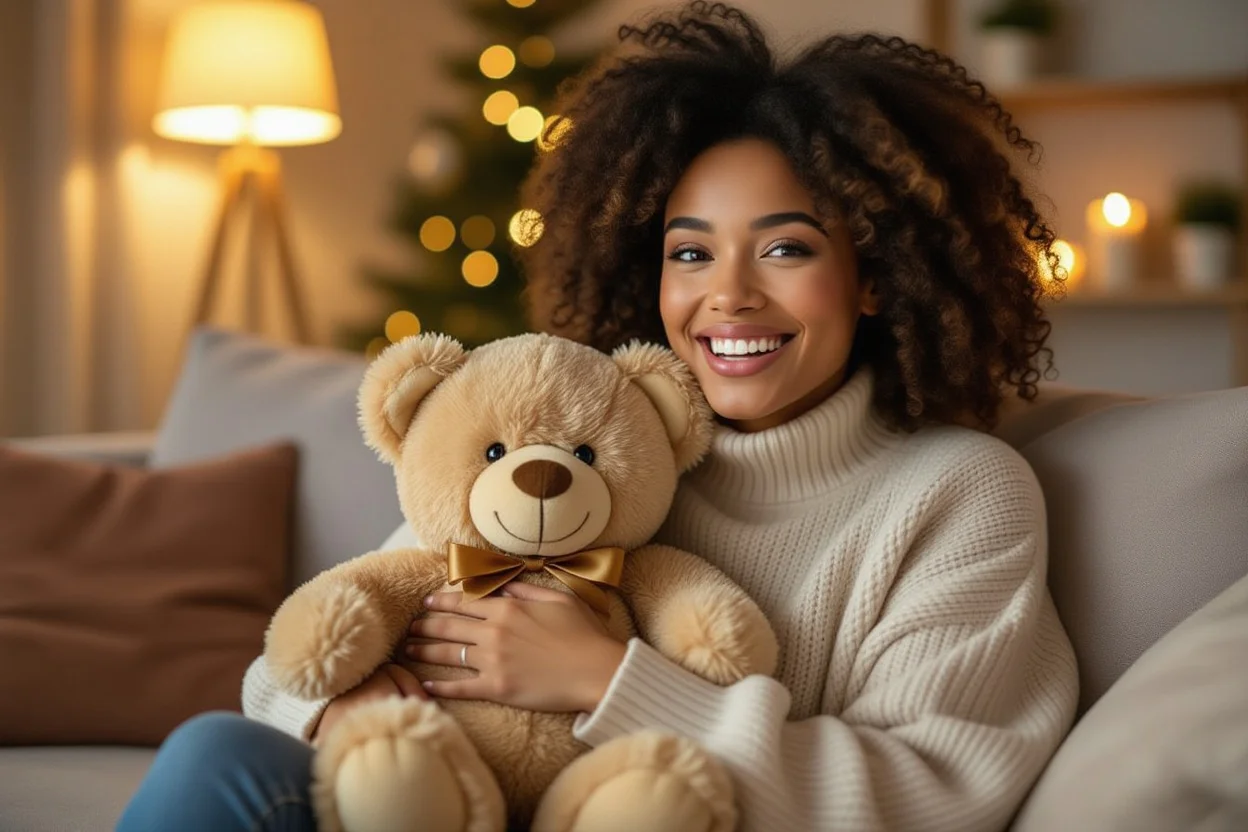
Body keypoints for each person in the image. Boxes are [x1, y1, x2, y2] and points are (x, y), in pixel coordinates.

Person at [117, 3, 1079, 830]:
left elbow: (934, 792)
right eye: (690, 254)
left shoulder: (958, 492)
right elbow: (296, 660)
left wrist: (609, 683)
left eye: (785, 250)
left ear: (875, 274)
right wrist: (344, 700)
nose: (728, 297)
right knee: (217, 757)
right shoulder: (594, 439)